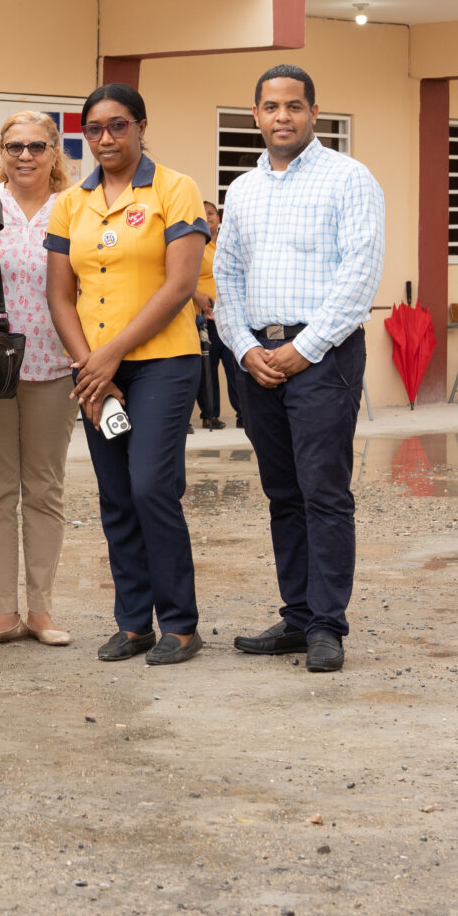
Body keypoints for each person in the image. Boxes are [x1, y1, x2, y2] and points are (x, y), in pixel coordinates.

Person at [211, 64, 385, 675]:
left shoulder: (349, 179)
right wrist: (242, 346)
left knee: (324, 493)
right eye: (270, 106)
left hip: (323, 358)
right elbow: (225, 274)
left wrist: (304, 348)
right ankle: (297, 614)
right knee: (282, 493)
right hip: (257, 360)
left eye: (293, 106)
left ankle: (327, 627)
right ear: (254, 115)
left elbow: (359, 275)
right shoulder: (242, 189)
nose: (281, 116)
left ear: (314, 112)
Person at [46, 80, 209, 667]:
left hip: (163, 363)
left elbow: (180, 285)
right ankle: (133, 623)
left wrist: (110, 354)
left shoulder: (175, 189)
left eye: (118, 125)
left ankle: (182, 626)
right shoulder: (72, 203)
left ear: (142, 126)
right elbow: (60, 295)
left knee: (151, 487)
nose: (106, 138)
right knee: (116, 495)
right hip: (95, 372)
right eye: (94, 129)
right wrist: (90, 365)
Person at [0, 109, 77, 649]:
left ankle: (41, 609)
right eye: (14, 147)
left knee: (45, 489)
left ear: (55, 151)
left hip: (54, 365)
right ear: (0, 153)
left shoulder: (73, 207)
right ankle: (2, 610)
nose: (25, 156)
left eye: (36, 146)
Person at [193, 200, 239, 430]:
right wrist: (198, 296)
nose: (208, 217)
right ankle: (210, 414)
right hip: (203, 317)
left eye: (211, 213)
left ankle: (244, 414)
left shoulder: (226, 245)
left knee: (235, 364)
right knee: (207, 367)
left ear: (219, 218)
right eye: (203, 214)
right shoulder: (195, 244)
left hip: (227, 316)